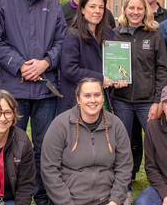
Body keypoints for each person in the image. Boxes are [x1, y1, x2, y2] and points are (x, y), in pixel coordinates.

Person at [0, 0, 67, 205]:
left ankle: (42, 196)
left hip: (45, 91)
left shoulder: (53, 4)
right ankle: (10, 196)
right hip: (12, 90)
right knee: (10, 146)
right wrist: (20, 65)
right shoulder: (0, 0)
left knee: (44, 148)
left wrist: (45, 63)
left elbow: (61, 41)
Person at [110, 0, 167, 203]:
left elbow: (162, 69)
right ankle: (123, 187)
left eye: (139, 8)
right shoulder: (114, 34)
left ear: (146, 10)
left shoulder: (155, 34)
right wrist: (112, 79)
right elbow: (108, 66)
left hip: (147, 101)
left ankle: (162, 185)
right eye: (131, 8)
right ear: (125, 10)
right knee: (122, 144)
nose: (135, 12)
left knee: (157, 142)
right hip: (121, 100)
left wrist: (157, 101)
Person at [41, 77, 133, 205]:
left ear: (102, 98)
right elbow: (49, 170)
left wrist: (115, 200)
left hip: (106, 200)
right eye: (87, 95)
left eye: (97, 95)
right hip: (69, 201)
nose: (93, 100)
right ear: (78, 99)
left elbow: (124, 167)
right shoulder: (60, 125)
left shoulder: (116, 125)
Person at [131, 0, 167, 183]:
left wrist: (159, 98)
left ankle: (160, 176)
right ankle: (131, 173)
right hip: (126, 95)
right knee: (131, 137)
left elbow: (161, 64)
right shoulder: (120, 30)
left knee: (156, 136)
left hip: (150, 93)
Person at [58, 0, 117, 114]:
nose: (97, 11)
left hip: (102, 98)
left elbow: (111, 65)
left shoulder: (108, 35)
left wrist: (117, 78)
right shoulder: (73, 35)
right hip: (79, 101)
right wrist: (100, 79)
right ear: (82, 9)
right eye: (92, 6)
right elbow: (69, 70)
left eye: (101, 7)